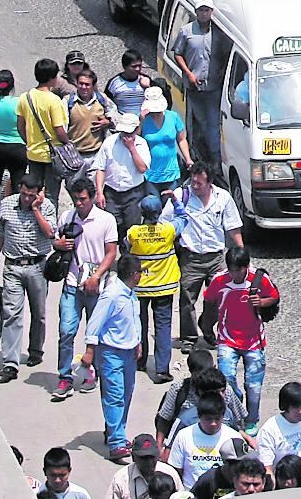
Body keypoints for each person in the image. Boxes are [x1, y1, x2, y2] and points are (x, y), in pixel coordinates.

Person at [54, 176, 120, 402]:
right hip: (72, 283)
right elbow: (56, 241)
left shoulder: (106, 220)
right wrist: (58, 244)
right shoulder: (67, 217)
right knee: (66, 330)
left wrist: (96, 276)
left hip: (97, 287)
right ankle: (65, 377)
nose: (79, 203)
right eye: (75, 199)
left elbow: (111, 252)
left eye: (83, 199)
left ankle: (94, 373)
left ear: (92, 197)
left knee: (96, 335)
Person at [0, 169, 59, 383]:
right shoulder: (7, 204)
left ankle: (36, 350)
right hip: (12, 266)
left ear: (39, 193)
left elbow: (50, 233)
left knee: (38, 313)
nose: (27, 198)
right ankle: (10, 362)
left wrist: (36, 210)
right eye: (24, 194)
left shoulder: (47, 207)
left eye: (32, 195)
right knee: (12, 314)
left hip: (38, 266)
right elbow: (1, 233)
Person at [200, 245, 278, 425]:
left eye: (239, 270)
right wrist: (207, 326)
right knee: (226, 380)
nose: (235, 274)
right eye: (232, 270)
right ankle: (236, 414)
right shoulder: (219, 280)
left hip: (254, 343)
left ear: (246, 266)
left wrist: (262, 302)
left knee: (254, 386)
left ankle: (251, 420)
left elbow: (274, 296)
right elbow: (209, 301)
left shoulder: (259, 279)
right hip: (227, 340)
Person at [171, 162, 242, 352]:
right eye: (193, 182)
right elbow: (165, 223)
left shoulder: (223, 198)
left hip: (216, 257)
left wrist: (242, 253)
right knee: (187, 299)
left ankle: (207, 325)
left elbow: (233, 226)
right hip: (190, 258)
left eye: (199, 184)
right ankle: (189, 337)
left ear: (209, 182)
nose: (195, 186)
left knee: (219, 297)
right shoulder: (181, 196)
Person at [81, 256, 144, 462]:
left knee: (126, 394)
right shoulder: (112, 295)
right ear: (134, 275)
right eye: (141, 272)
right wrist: (89, 351)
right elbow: (95, 323)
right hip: (111, 353)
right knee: (114, 395)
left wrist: (138, 342)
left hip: (129, 352)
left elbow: (134, 320)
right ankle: (117, 443)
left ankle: (116, 431)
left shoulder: (131, 293)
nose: (142, 275)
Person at [125, 193, 181, 382]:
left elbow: (125, 246)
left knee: (139, 324)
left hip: (140, 287)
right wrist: (174, 200)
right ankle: (161, 369)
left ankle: (140, 361)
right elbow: (184, 219)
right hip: (164, 287)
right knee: (163, 327)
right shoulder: (168, 231)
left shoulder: (133, 232)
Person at [156, 350, 249, 445]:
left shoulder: (225, 390)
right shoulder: (178, 390)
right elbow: (164, 420)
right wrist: (159, 446)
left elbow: (238, 421)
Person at [170, 0, 222, 167]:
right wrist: (188, 73)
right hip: (194, 87)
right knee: (200, 121)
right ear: (196, 11)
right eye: (201, 10)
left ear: (212, 12)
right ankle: (200, 153)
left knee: (213, 123)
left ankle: (215, 159)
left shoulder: (219, 33)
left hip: (213, 86)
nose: (204, 13)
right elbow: (177, 53)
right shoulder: (186, 31)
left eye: (207, 10)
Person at [167, 394, 250, 489]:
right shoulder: (184, 435)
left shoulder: (234, 437)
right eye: (208, 419)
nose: (213, 423)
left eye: (217, 419)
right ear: (199, 416)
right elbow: (176, 469)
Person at [20, 57, 74, 202]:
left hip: (33, 153)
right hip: (52, 156)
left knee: (33, 192)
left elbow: (20, 126)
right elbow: (59, 129)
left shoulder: (26, 97)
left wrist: (30, 141)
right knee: (51, 195)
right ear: (52, 77)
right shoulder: (54, 100)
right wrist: (68, 143)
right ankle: (49, 222)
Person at [101, 109, 154, 233]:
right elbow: (101, 168)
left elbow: (142, 169)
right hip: (112, 193)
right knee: (112, 227)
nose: (125, 135)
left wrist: (132, 148)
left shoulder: (142, 144)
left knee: (132, 227)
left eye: (129, 132)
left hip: (133, 193)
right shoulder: (109, 142)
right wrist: (99, 191)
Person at [0, 69, 28, 209]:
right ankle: (15, 211)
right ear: (12, 86)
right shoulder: (20, 102)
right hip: (17, 146)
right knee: (17, 181)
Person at [109, 434, 181, 499]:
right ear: (133, 457)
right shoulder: (121, 479)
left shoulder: (170, 472)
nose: (149, 462)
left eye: (152, 457)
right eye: (144, 458)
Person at [68, 66, 111, 174]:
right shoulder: (68, 102)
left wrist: (108, 122)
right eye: (81, 83)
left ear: (93, 86)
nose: (83, 87)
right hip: (75, 155)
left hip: (96, 155)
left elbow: (117, 118)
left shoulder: (102, 99)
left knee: (94, 188)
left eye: (87, 84)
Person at [105, 49, 154, 117]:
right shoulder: (114, 83)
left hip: (145, 120)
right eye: (134, 66)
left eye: (139, 65)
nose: (137, 69)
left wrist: (148, 87)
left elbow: (157, 101)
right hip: (123, 122)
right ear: (125, 66)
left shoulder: (146, 80)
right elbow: (106, 103)